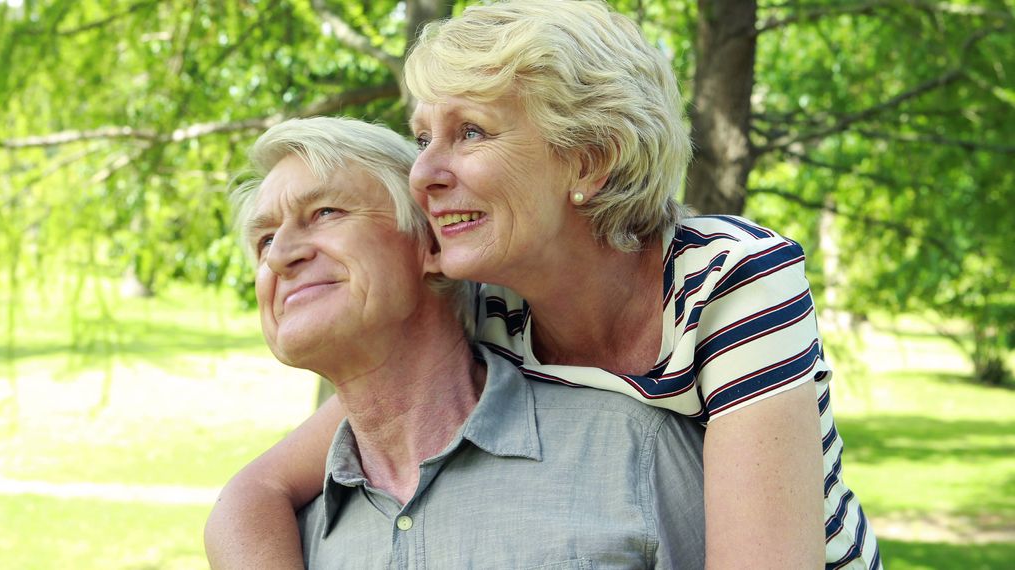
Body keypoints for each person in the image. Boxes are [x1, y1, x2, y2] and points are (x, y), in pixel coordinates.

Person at [205, 1, 881, 569]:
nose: (423, 173)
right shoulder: (488, 303)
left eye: (469, 132)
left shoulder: (730, 282)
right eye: (421, 138)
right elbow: (256, 489)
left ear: (588, 161)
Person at [210, 115, 707, 568]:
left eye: (325, 212)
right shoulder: (288, 539)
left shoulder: (635, 454)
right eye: (265, 240)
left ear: (431, 242)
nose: (281, 257)